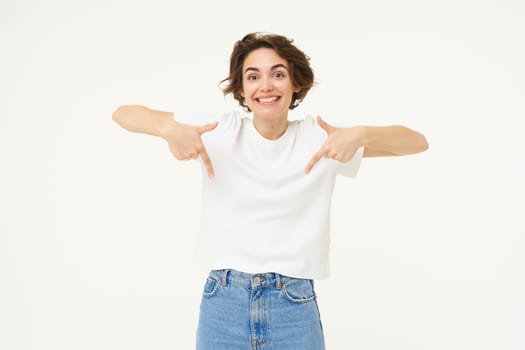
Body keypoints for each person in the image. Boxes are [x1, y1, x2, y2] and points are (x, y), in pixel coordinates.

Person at [112, 32, 428, 350]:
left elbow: (416, 142)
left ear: (296, 84)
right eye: (253, 76)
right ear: (241, 89)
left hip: (293, 305)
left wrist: (360, 135)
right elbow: (123, 114)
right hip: (223, 302)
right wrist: (167, 129)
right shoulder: (219, 132)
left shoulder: (320, 139)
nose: (265, 86)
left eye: (278, 74)